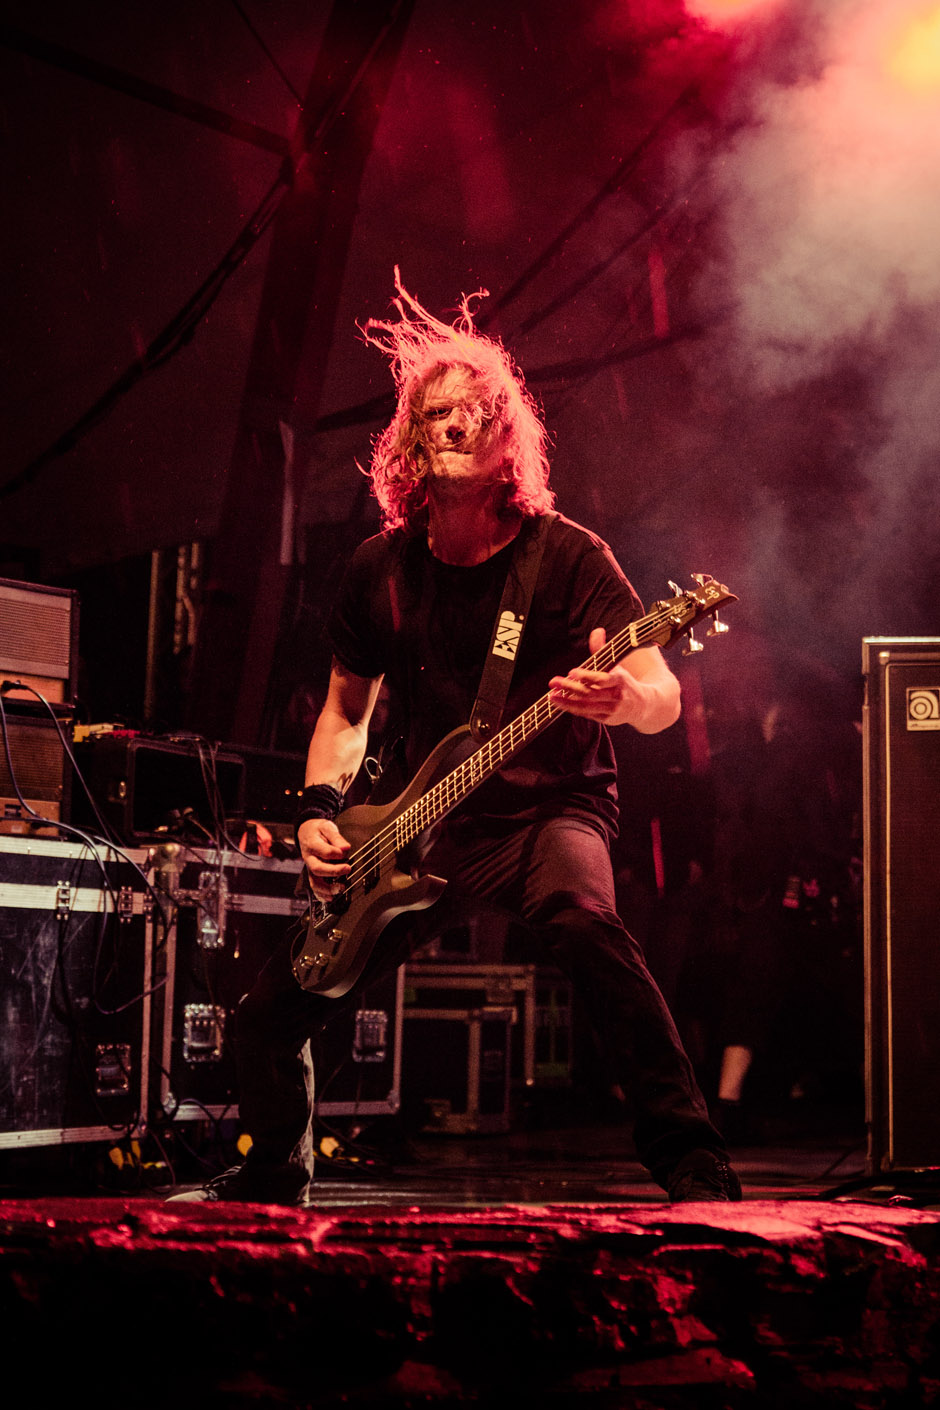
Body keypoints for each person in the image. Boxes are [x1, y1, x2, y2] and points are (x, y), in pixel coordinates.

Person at [171, 273, 740, 1204]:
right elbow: (346, 712)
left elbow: (659, 690)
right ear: (406, 437)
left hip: (548, 807)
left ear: (505, 432)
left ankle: (690, 1158)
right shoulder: (379, 571)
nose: (450, 423)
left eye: (473, 410)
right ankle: (272, 1177)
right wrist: (320, 811)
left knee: (584, 922)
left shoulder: (565, 556)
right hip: (425, 825)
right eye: (432, 412)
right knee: (271, 1015)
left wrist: (620, 705)